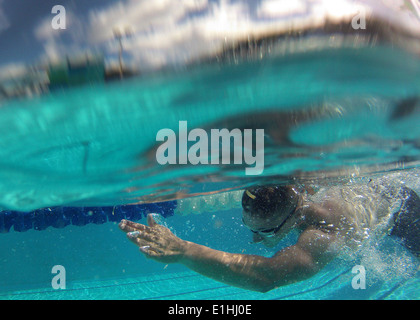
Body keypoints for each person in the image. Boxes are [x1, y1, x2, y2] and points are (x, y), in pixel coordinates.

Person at [119, 182, 419, 293]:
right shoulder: (303, 185)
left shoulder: (323, 234)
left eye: (261, 232)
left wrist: (183, 251)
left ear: (287, 222)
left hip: (409, 214)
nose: (253, 240)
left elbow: (267, 277)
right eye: (250, 227)